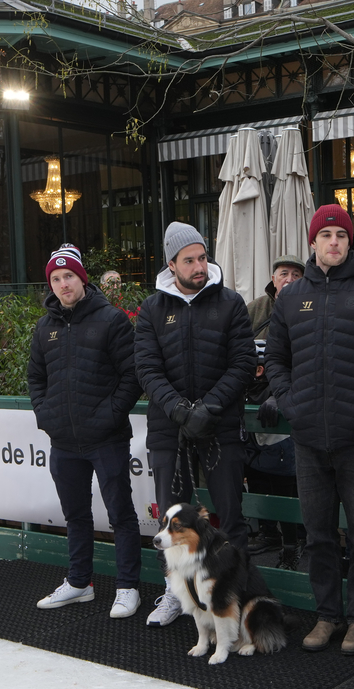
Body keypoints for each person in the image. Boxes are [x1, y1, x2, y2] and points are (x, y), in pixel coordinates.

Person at [265, 204, 354, 656]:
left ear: (351, 242)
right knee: (319, 534)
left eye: (341, 235)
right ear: (313, 242)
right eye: (325, 234)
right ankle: (327, 615)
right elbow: (275, 359)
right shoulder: (290, 297)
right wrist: (292, 404)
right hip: (308, 439)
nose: (333, 242)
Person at [135, 221, 256, 627]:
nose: (199, 265)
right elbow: (147, 369)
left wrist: (209, 407)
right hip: (170, 430)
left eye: (202, 257)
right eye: (189, 260)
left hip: (220, 427)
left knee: (230, 515)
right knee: (170, 521)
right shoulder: (152, 308)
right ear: (172, 264)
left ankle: (234, 596)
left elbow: (243, 363)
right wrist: (180, 411)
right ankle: (175, 594)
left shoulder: (230, 303)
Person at [28, 244, 144, 619]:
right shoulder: (45, 327)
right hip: (64, 441)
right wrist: (46, 415)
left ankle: (127, 587)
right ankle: (79, 583)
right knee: (75, 514)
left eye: (69, 277)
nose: (64, 284)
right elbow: (36, 377)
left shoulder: (111, 320)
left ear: (82, 279)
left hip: (106, 438)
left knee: (120, 514)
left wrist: (108, 416)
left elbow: (132, 376)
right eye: (57, 279)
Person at [245, 254, 305, 562]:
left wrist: (279, 393)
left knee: (286, 475)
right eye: (284, 273)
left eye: (297, 274)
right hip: (252, 403)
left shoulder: (307, 310)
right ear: (273, 278)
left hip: (289, 403)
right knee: (256, 470)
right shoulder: (255, 310)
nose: (290, 279)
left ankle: (292, 543)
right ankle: (267, 534)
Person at [245, 339, 304, 569]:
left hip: (281, 452)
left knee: (285, 500)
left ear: (259, 370)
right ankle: (269, 534)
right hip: (256, 452)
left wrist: (276, 398)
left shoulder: (278, 387)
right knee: (259, 490)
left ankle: (292, 547)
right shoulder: (248, 388)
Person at [246, 255, 304, 341]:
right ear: (274, 280)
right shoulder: (255, 307)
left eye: (295, 275)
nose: (289, 279)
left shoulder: (308, 308)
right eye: (284, 274)